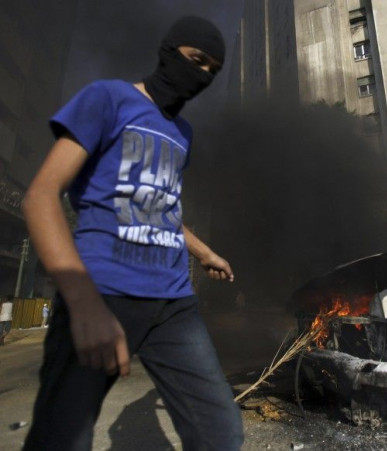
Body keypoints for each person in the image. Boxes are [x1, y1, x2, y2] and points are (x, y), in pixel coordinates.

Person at [21, 16, 244, 450]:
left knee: (221, 433)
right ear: (169, 51)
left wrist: (203, 252)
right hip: (102, 291)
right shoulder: (107, 98)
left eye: (213, 71)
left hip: (173, 302)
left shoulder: (183, 134)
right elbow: (41, 196)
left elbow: (158, 207)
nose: (203, 77)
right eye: (197, 61)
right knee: (61, 438)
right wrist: (83, 304)